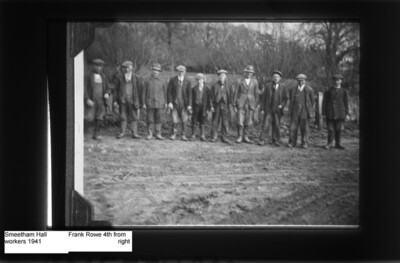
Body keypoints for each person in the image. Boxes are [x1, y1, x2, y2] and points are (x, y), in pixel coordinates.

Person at [258, 70, 288, 146]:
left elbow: (285, 98)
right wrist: (262, 108)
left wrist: (282, 105)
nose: (276, 78)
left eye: (277, 77)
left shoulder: (283, 87)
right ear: (272, 78)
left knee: (277, 125)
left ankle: (276, 140)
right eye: (274, 77)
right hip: (268, 109)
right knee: (265, 125)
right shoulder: (267, 86)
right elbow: (263, 98)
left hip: (277, 110)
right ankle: (262, 139)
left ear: (280, 78)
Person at [233, 65, 262, 144]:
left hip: (250, 104)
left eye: (251, 73)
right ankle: (239, 136)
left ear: (252, 74)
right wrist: (234, 103)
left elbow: (256, 94)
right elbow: (235, 93)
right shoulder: (239, 81)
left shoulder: (255, 82)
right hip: (241, 103)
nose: (249, 74)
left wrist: (256, 104)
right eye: (247, 72)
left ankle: (246, 137)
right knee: (240, 120)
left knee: (248, 121)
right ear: (244, 73)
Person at [84, 58, 111, 140]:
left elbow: (108, 88)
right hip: (91, 100)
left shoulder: (104, 76)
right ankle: (83, 135)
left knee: (99, 118)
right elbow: (84, 88)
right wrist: (87, 99)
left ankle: (95, 135)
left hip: (101, 101)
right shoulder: (88, 76)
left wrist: (107, 93)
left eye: (100, 66)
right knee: (88, 118)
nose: (98, 68)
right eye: (97, 66)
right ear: (93, 66)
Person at [114, 60, 142, 139]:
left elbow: (139, 91)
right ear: (123, 68)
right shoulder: (119, 77)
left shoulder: (136, 78)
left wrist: (139, 101)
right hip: (122, 101)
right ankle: (122, 132)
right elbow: (116, 90)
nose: (127, 69)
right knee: (123, 116)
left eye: (128, 67)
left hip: (132, 101)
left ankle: (134, 133)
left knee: (134, 117)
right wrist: (115, 101)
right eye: (125, 68)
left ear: (132, 67)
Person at [322, 74, 350, 150]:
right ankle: (329, 143)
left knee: (339, 129)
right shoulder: (328, 90)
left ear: (341, 81)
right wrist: (323, 113)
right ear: (333, 81)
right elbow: (324, 102)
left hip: (340, 113)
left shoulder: (344, 91)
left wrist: (347, 114)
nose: (336, 82)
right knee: (330, 129)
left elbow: (346, 103)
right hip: (330, 113)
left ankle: (338, 143)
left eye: (338, 80)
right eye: (335, 80)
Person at [287, 74, 315, 148]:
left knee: (305, 128)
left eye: (302, 80)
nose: (301, 82)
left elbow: (312, 101)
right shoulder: (293, 89)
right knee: (293, 128)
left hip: (305, 111)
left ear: (305, 81)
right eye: (299, 81)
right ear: (297, 81)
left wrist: (308, 109)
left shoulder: (309, 90)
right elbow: (290, 100)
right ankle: (292, 142)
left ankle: (304, 143)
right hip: (295, 111)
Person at [142, 63, 167, 140]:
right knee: (150, 119)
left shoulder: (163, 81)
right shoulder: (147, 80)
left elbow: (165, 93)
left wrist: (165, 102)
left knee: (159, 119)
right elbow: (143, 93)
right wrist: (143, 103)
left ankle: (158, 134)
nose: (155, 72)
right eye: (154, 70)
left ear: (159, 71)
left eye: (157, 70)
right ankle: (150, 134)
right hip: (150, 103)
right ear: (152, 70)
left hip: (159, 103)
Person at [167, 65, 192, 141]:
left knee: (184, 120)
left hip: (184, 104)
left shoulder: (188, 81)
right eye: (180, 71)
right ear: (177, 72)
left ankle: (183, 135)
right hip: (175, 103)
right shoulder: (173, 80)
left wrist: (189, 105)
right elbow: (169, 92)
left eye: (182, 71)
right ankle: (173, 134)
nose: (181, 73)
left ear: (185, 72)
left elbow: (190, 94)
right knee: (174, 119)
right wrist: (170, 102)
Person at [209, 69, 233, 144]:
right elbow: (211, 97)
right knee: (215, 121)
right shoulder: (214, 85)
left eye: (223, 75)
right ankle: (214, 136)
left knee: (225, 122)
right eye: (220, 76)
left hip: (225, 105)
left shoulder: (229, 85)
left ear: (225, 76)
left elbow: (231, 96)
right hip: (216, 105)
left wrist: (230, 106)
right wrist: (211, 106)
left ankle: (224, 137)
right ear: (218, 77)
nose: (222, 77)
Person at [190, 73, 210, 141]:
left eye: (200, 80)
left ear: (203, 80)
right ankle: (193, 135)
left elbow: (209, 99)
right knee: (194, 120)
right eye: (197, 80)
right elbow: (191, 98)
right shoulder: (194, 89)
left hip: (203, 107)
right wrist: (191, 107)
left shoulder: (207, 89)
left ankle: (202, 135)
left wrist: (209, 108)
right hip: (196, 106)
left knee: (203, 121)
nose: (199, 81)